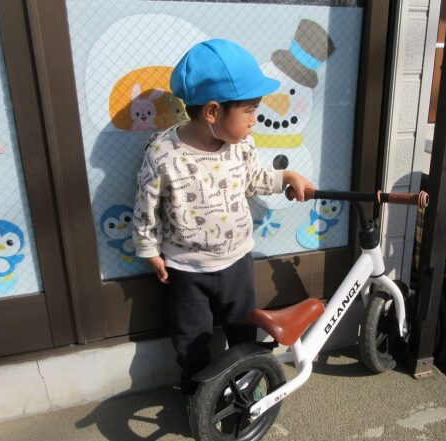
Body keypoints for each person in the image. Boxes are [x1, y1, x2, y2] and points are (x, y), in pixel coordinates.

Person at [132, 38, 314, 400]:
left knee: (243, 330)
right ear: (213, 112)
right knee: (191, 339)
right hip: (186, 269)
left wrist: (287, 177)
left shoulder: (241, 145)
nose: (255, 120)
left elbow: (255, 180)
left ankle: (246, 387)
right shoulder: (164, 152)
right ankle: (197, 397)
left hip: (236, 263)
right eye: (249, 111)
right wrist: (148, 249)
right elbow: (145, 204)